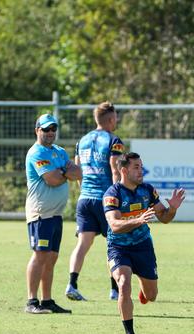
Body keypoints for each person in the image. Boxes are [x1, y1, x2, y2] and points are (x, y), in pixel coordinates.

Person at [103, 152, 186, 334]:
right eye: (136, 167)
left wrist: (172, 209)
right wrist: (138, 219)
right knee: (123, 284)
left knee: (151, 296)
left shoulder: (147, 190)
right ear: (124, 170)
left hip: (143, 247)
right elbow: (114, 225)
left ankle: (143, 288)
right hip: (118, 247)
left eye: (141, 166)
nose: (141, 171)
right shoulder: (112, 194)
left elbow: (164, 218)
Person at [65, 101, 125, 301]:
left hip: (85, 199)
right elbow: (115, 170)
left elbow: (77, 170)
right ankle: (115, 290)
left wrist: (83, 191)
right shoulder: (113, 141)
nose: (117, 120)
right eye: (116, 117)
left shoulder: (82, 140)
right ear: (110, 119)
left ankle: (72, 284)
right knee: (115, 244)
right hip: (105, 199)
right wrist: (118, 196)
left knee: (82, 244)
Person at [24, 114, 81, 314]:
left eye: (53, 129)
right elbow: (52, 179)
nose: (50, 133)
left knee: (52, 258)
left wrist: (63, 172)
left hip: (55, 215)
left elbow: (78, 173)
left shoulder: (58, 151)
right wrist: (65, 172)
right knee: (40, 255)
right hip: (41, 213)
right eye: (46, 129)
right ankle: (32, 301)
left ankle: (47, 300)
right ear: (37, 130)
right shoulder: (36, 153)